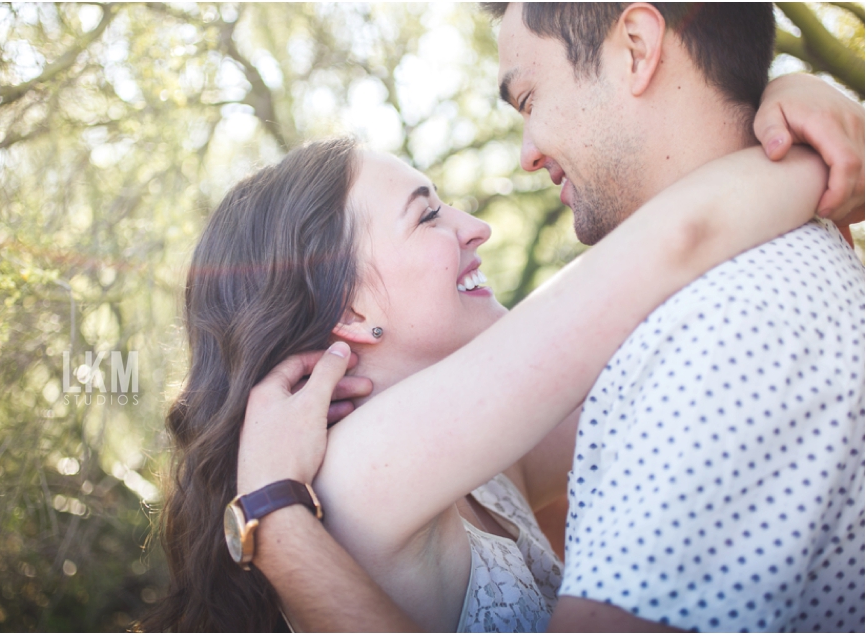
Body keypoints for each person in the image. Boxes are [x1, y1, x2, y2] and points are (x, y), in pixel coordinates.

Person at [230, 3, 866, 633]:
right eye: (426, 216)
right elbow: (682, 238)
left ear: (640, 48)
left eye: (530, 98)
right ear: (350, 308)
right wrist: (808, 153)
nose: (477, 227)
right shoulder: (361, 471)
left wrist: (786, 99)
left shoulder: (719, 330)